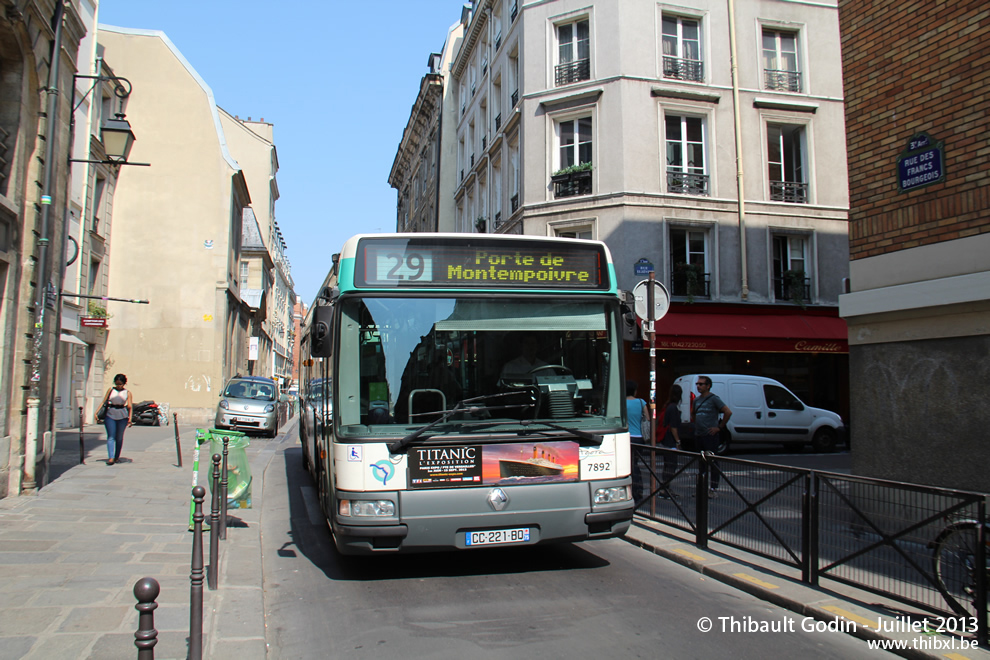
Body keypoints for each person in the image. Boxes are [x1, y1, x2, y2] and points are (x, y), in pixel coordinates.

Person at [693, 375, 732, 495]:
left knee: (713, 462)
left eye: (701, 384)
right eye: (697, 384)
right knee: (701, 463)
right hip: (699, 434)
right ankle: (702, 489)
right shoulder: (696, 400)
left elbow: (728, 412)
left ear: (708, 386)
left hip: (710, 435)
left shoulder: (714, 399)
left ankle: (713, 488)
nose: (698, 386)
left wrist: (719, 428)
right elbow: (693, 414)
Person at [98, 373, 133, 465]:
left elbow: (130, 406)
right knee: (111, 436)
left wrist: (130, 418)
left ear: (124, 383)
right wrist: (96, 412)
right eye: (117, 384)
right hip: (110, 414)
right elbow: (104, 401)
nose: (118, 386)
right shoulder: (111, 390)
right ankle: (111, 457)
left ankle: (117, 456)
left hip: (122, 415)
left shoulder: (127, 393)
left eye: (120, 384)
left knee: (119, 437)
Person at [625, 380, 649, 503]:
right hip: (639, 437)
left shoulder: (621, 403)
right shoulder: (641, 402)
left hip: (626, 438)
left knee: (630, 465)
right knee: (635, 464)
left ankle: (632, 490)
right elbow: (648, 419)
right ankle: (638, 489)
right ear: (635, 390)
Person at [660, 384, 683, 494]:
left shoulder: (668, 405)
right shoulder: (673, 408)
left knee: (667, 464)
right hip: (671, 440)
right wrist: (678, 441)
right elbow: (673, 427)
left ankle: (665, 487)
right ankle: (665, 488)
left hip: (666, 439)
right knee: (671, 465)